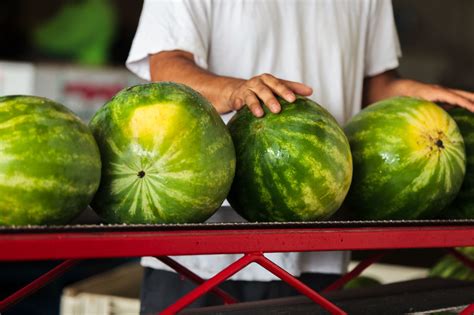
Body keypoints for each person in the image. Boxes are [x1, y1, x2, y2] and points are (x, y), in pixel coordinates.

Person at [126, 0, 474, 313]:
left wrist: (411, 94)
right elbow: (166, 66)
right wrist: (234, 91)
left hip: (319, 245)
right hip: (203, 251)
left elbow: (373, 84)